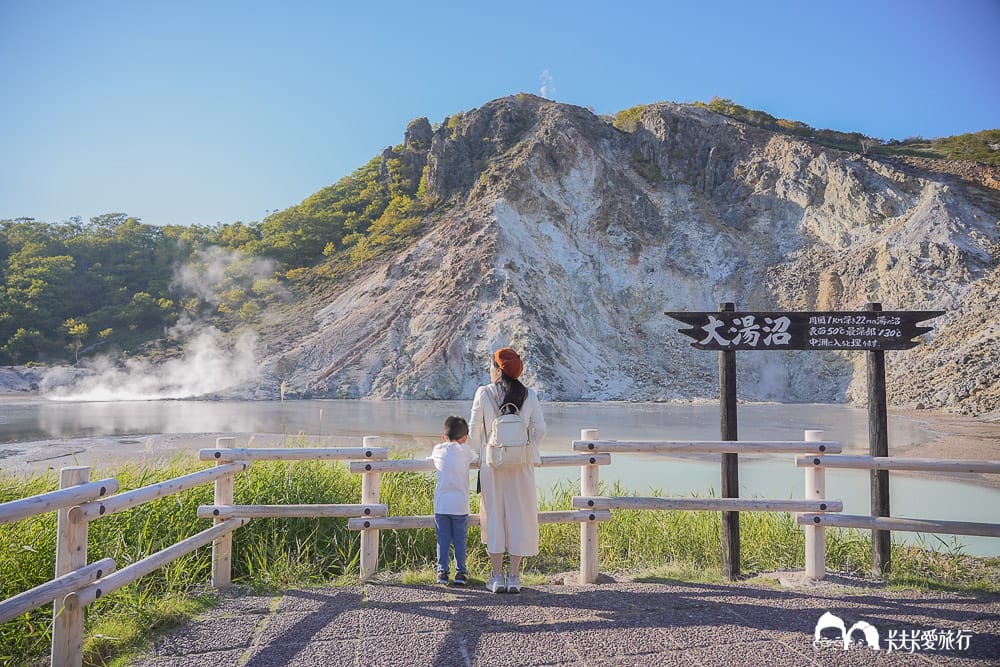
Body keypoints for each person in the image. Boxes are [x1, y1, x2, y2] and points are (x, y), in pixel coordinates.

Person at [469, 347, 546, 593]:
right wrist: (526, 448)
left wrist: (483, 452)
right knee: (519, 517)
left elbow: (473, 433)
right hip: (521, 466)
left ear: (497, 369)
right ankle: (514, 577)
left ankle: (496, 576)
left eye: (492, 366)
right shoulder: (530, 394)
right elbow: (541, 429)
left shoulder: (484, 393)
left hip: (493, 465)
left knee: (494, 516)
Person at [428, 415, 477, 585]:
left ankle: (442, 572)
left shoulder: (437, 450)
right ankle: (461, 573)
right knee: (459, 540)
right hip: (460, 505)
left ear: (443, 436)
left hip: (441, 505)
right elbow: (475, 457)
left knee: (442, 540)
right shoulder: (465, 451)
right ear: (464, 438)